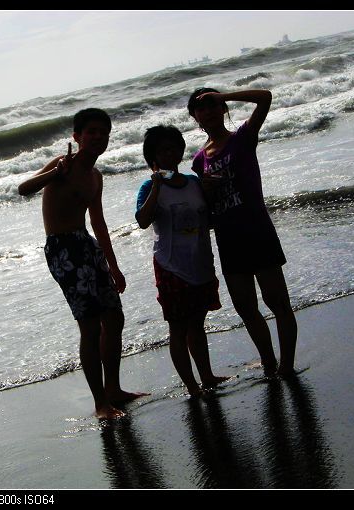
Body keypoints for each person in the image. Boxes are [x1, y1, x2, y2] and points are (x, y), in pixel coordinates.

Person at [18, 108, 147, 419]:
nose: (98, 137)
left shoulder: (95, 176)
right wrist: (54, 173)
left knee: (114, 318)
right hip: (64, 250)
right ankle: (100, 403)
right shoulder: (63, 165)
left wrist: (114, 266)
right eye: (91, 132)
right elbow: (24, 189)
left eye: (104, 133)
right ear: (77, 137)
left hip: (87, 245)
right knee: (89, 326)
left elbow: (98, 223)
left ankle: (113, 389)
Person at [187, 88, 297, 377]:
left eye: (213, 105)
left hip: (257, 229)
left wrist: (223, 94)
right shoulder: (199, 160)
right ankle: (269, 363)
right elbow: (207, 209)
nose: (208, 111)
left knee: (277, 302)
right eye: (201, 108)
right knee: (245, 308)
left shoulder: (242, 137)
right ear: (195, 117)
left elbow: (265, 97)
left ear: (223, 108)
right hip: (228, 238)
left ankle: (287, 366)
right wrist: (206, 191)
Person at [135, 125, 229, 397]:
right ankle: (191, 385)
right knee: (177, 328)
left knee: (197, 324)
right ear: (153, 156)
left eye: (173, 147)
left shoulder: (193, 182)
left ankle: (207, 376)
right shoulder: (149, 187)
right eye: (162, 150)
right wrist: (156, 185)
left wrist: (214, 189)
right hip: (171, 266)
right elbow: (142, 221)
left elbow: (209, 218)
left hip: (200, 263)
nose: (169, 153)